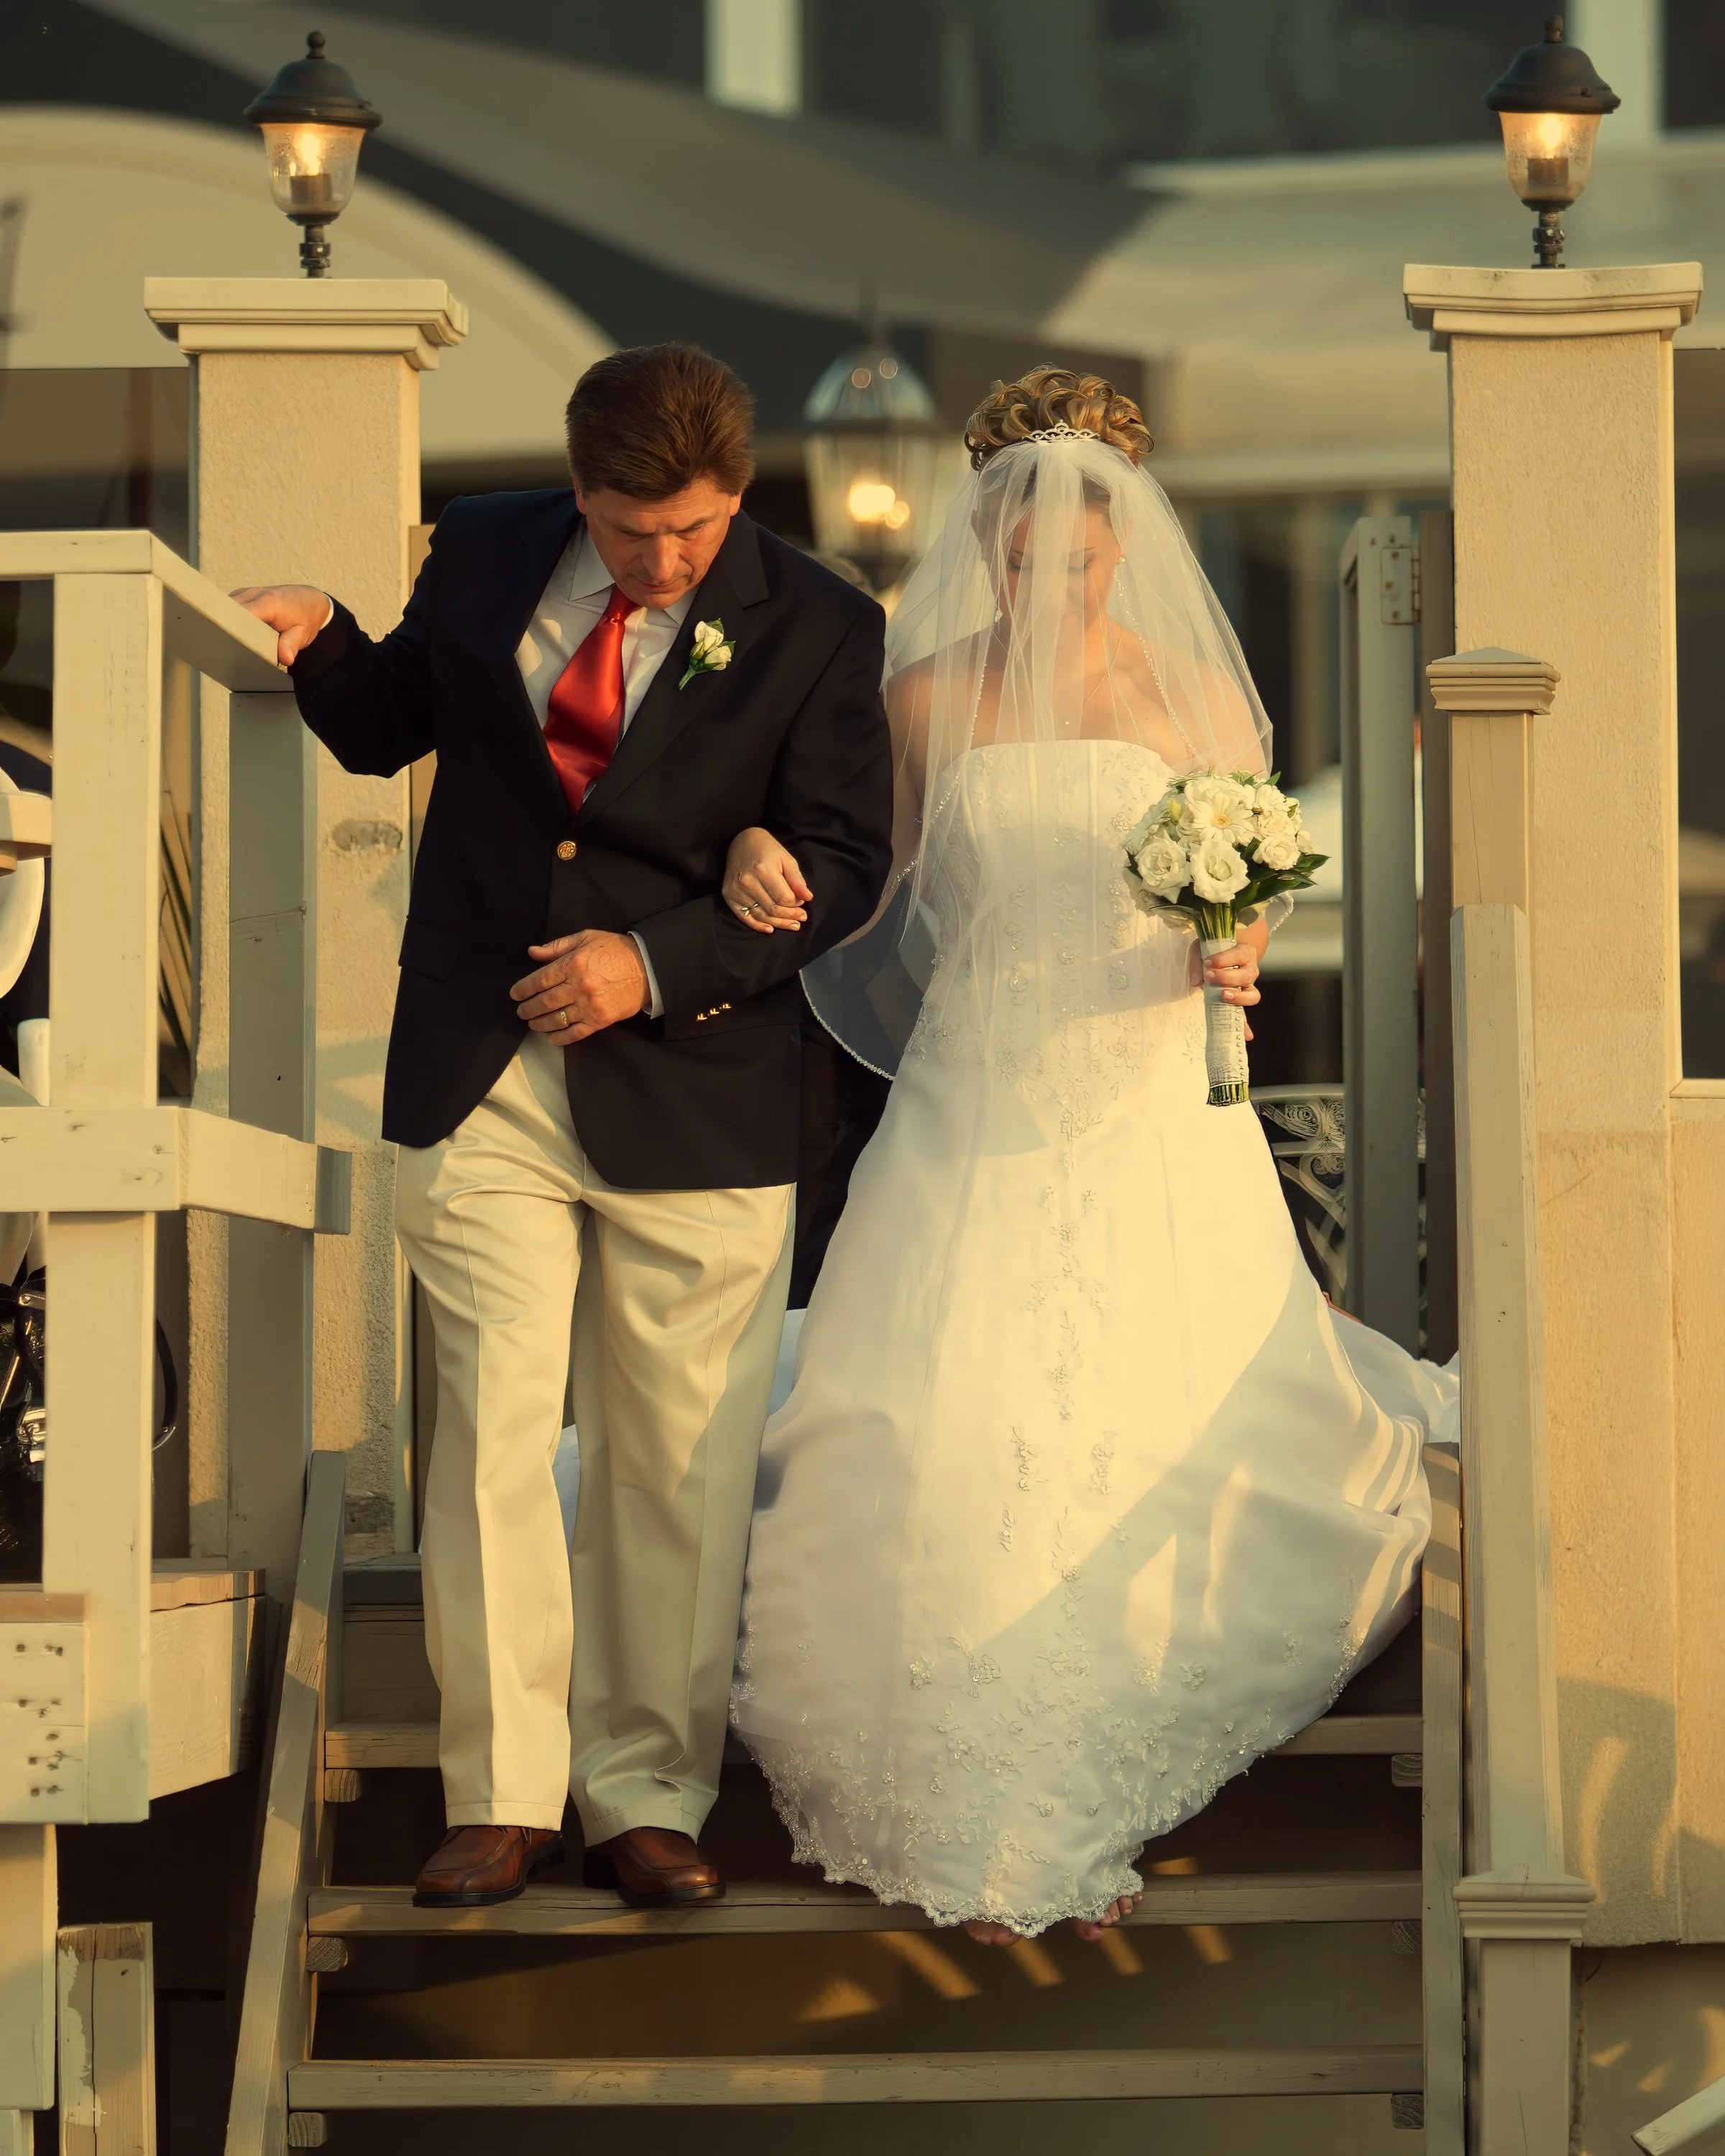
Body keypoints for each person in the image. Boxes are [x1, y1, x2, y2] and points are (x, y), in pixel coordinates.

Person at [725, 367, 1450, 1943]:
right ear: (983, 543)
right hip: (980, 1085)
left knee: (1147, 1391)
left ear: (1126, 543)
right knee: (943, 1417)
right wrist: (778, 865)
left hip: (1143, 1089)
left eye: (1082, 544)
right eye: (1020, 543)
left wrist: (1237, 943)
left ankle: (1080, 1784)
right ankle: (970, 1801)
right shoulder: (923, 699)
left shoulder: (1197, 699)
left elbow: (1245, 880)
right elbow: (886, 892)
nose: (1052, 567)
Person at [233, 344, 894, 1909]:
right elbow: (393, 720)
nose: (662, 564)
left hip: (706, 1080)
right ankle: (501, 1791)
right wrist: (325, 635)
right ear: (579, 485)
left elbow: (848, 862)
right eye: (627, 529)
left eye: (693, 532)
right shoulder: (479, 548)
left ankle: (647, 1793)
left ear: (737, 492)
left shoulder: (821, 622)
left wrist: (657, 962)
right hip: (484, 1065)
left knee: (677, 1461)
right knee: (491, 1437)